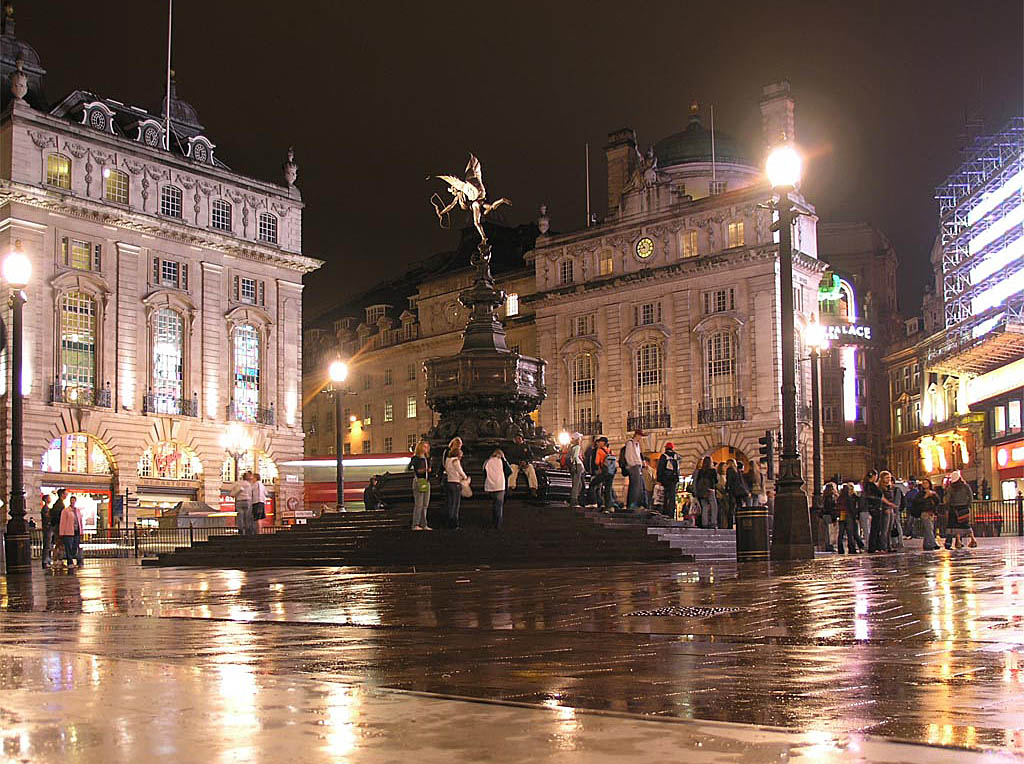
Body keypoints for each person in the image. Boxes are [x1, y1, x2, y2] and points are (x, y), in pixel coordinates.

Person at [943, 470, 974, 549]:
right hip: (964, 508)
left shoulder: (951, 487)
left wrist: (947, 506)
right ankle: (972, 539)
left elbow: (948, 498)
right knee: (965, 525)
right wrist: (968, 505)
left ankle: (958, 542)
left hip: (954, 508)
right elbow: (970, 496)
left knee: (955, 525)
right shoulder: (966, 486)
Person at [483, 448, 511, 529]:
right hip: (500, 485)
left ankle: (494, 520)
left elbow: (484, 472)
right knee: (499, 505)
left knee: (494, 504)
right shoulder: (502, 461)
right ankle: (497, 524)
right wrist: (505, 459)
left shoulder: (487, 461)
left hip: (491, 485)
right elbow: (509, 471)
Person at [408, 441, 433, 531]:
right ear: (420, 448)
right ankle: (415, 524)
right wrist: (425, 470)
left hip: (426, 481)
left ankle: (423, 524)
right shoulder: (416, 458)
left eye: (427, 447)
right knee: (419, 504)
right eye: (424, 447)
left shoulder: (427, 458)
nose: (426, 448)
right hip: (419, 481)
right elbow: (414, 469)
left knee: (425, 504)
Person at [911, 477, 941, 551]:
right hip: (924, 512)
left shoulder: (933, 493)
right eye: (923, 483)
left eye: (926, 483)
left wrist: (934, 495)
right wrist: (925, 497)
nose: (925, 484)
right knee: (928, 528)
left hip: (931, 512)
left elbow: (937, 502)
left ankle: (927, 544)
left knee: (930, 528)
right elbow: (916, 502)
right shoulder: (920, 493)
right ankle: (933, 543)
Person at [444, 446, 468, 529]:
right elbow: (460, 470)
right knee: (456, 504)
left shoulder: (447, 460)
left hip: (449, 482)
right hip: (456, 483)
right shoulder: (456, 461)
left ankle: (449, 521)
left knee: (450, 503)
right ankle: (454, 523)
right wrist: (465, 477)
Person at [878, 471, 903, 552]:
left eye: (889, 477)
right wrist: (888, 505)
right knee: (884, 529)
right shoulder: (880, 488)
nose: (889, 479)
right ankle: (883, 546)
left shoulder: (890, 487)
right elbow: (881, 498)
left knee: (890, 529)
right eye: (887, 477)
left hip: (891, 509)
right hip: (885, 509)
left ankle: (889, 546)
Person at [58, 494, 84, 568]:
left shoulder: (77, 511)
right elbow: (63, 522)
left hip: (76, 531)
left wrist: (81, 531)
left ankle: (72, 558)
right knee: (68, 547)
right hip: (68, 532)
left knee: (74, 546)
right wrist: (62, 532)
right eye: (71, 500)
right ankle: (70, 561)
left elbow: (80, 521)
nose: (72, 502)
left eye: (74, 500)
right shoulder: (66, 510)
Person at [692, 456, 719, 529]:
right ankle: (713, 522)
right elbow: (716, 481)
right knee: (714, 507)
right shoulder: (712, 470)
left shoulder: (700, 471)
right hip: (710, 490)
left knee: (704, 507)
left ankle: (705, 523)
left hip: (701, 492)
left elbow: (696, 482)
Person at [656, 442, 681, 518]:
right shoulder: (676, 456)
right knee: (672, 497)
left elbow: (660, 469)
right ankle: (671, 513)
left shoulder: (664, 456)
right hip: (674, 480)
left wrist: (659, 479)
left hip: (665, 480)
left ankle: (665, 513)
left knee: (665, 497)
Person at [622, 429, 645, 511]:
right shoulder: (630, 443)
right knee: (634, 486)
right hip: (633, 466)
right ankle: (632, 504)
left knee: (637, 486)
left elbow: (638, 456)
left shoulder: (637, 444)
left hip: (637, 466)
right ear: (636, 435)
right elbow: (628, 456)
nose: (641, 438)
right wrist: (632, 465)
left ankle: (635, 503)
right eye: (640, 436)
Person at [862, 470, 883, 552]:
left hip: (873, 508)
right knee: (875, 528)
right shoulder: (871, 485)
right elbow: (877, 495)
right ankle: (873, 547)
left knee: (876, 528)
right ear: (874, 476)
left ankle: (876, 546)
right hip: (875, 508)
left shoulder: (867, 485)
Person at [836, 483, 860, 554]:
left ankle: (840, 549)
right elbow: (851, 508)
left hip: (841, 515)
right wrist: (855, 516)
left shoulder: (840, 498)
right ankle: (851, 548)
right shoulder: (848, 498)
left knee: (841, 532)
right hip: (848, 515)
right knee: (850, 533)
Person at [592, 436, 614, 511]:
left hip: (604, 472)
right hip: (611, 472)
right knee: (608, 488)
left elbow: (596, 462)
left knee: (592, 484)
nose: (598, 443)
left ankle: (593, 502)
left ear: (603, 442)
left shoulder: (600, 451)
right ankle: (609, 506)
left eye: (600, 441)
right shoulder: (610, 451)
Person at [726, 458, 749, 525]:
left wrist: (726, 489)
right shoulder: (737, 471)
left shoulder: (730, 470)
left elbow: (729, 481)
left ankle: (730, 524)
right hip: (739, 492)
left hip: (732, 491)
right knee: (739, 506)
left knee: (731, 508)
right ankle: (740, 522)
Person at [232, 470, 255, 536]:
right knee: (247, 516)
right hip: (247, 501)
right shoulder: (249, 485)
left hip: (239, 501)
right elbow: (251, 494)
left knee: (240, 516)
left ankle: (241, 530)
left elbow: (233, 493)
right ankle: (248, 530)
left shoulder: (237, 483)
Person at [568, 433, 585, 508]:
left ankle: (575, 498)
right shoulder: (577, 447)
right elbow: (575, 457)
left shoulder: (571, 447)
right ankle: (574, 500)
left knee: (579, 484)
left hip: (574, 465)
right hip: (577, 465)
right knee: (577, 483)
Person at [822, 482, 839, 552]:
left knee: (827, 531)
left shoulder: (825, 497)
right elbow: (831, 508)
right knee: (831, 531)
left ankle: (827, 545)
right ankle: (830, 546)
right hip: (830, 515)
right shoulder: (831, 497)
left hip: (825, 515)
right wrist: (834, 518)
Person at [40, 492, 54, 568]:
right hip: (47, 528)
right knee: (47, 545)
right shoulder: (45, 508)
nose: (50, 499)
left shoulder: (47, 508)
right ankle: (45, 560)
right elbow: (47, 517)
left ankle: (48, 560)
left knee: (49, 545)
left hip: (48, 528)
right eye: (49, 498)